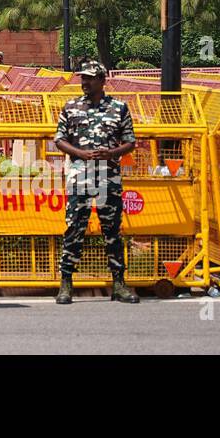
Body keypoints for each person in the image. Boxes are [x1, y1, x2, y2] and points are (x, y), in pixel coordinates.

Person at [53, 59, 139, 305]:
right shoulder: (70, 107)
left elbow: (130, 140)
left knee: (112, 230)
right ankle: (66, 283)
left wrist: (112, 153)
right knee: (74, 229)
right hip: (79, 177)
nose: (85, 82)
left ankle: (119, 284)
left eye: (90, 78)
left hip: (108, 178)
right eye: (83, 78)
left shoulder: (119, 108)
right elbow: (59, 139)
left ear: (102, 80)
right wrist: (79, 153)